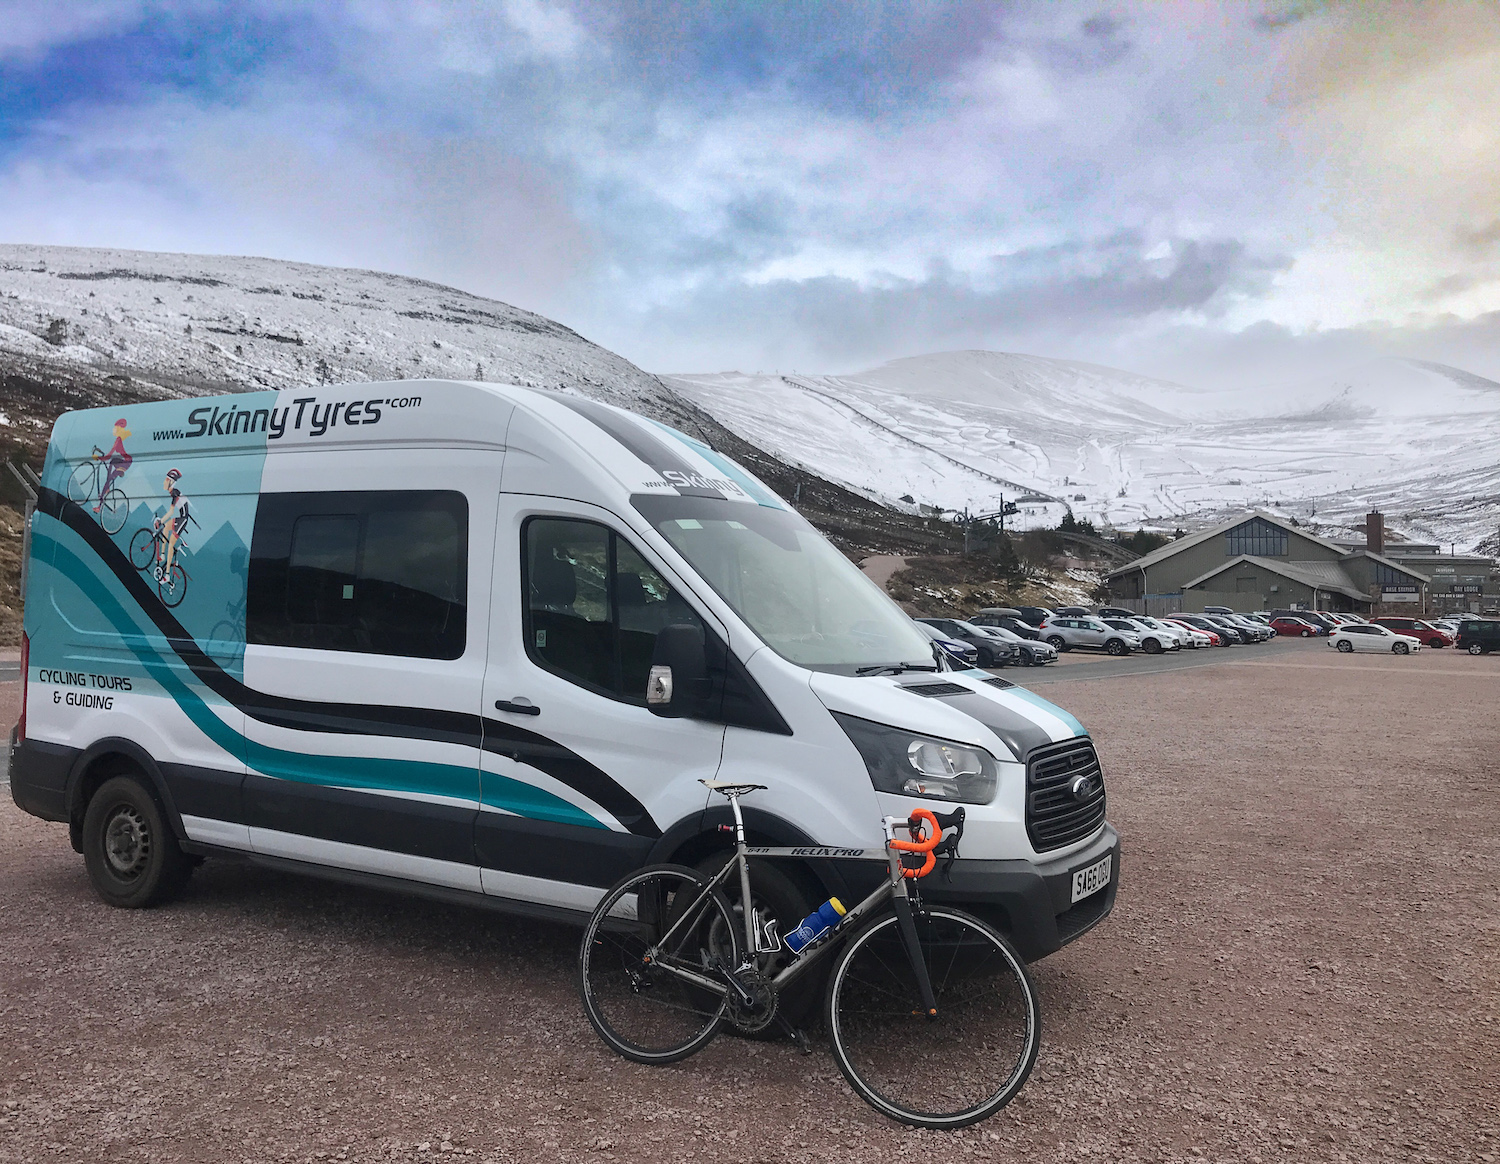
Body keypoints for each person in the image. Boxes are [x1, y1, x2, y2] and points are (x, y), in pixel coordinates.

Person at [155, 469, 191, 584]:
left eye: (166, 480)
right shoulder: (173, 493)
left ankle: (167, 576)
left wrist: (160, 520)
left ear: (171, 482)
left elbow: (171, 512)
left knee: (171, 544)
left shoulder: (175, 493)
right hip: (181, 518)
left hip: (183, 520)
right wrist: (162, 522)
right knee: (166, 527)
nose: (164, 482)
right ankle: (162, 555)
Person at [94, 418, 132, 512]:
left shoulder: (118, 440)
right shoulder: (118, 439)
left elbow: (109, 454)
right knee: (112, 461)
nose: (113, 430)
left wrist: (99, 458)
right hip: (124, 461)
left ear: (118, 428)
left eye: (115, 428)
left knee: (109, 479)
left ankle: (99, 506)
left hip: (126, 463)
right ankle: (108, 487)